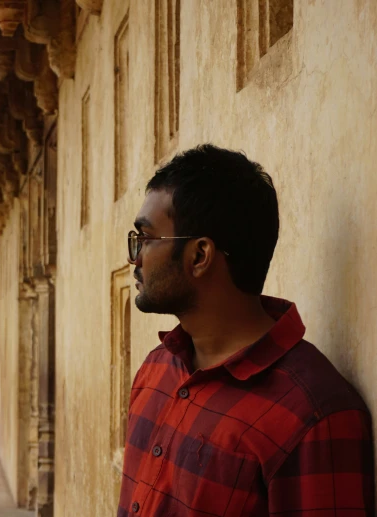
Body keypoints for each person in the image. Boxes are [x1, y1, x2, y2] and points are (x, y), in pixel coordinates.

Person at [120, 144, 374, 516]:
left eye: (145, 238)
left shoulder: (312, 416)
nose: (136, 258)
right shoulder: (156, 370)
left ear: (200, 256)